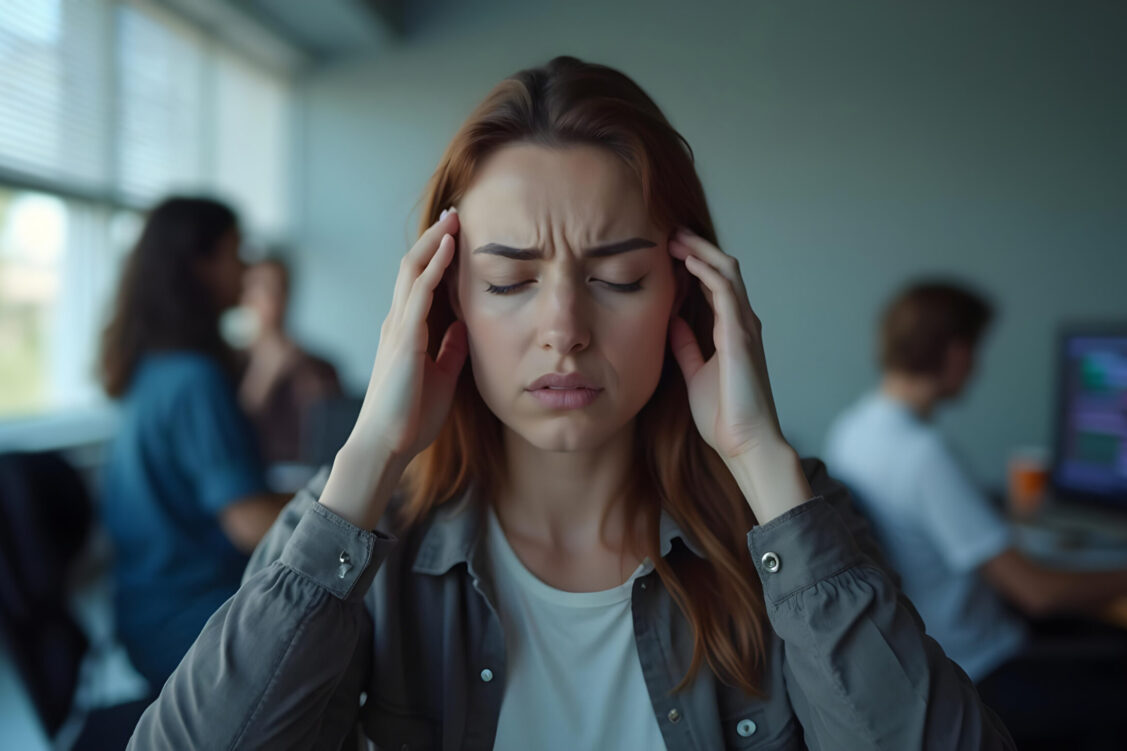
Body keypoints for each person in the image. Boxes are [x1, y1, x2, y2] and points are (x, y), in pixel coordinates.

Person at [129, 58, 1012, 750]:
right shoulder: (363, 532)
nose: (564, 328)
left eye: (618, 277)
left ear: (686, 292)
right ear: (444, 301)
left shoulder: (795, 523)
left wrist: (759, 457)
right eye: (509, 280)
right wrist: (368, 457)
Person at [824, 281, 1127, 749]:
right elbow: (1038, 594)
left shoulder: (853, 429)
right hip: (981, 671)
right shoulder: (924, 455)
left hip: (927, 661)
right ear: (957, 352)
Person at [98, 197, 289, 689]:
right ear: (198, 265)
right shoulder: (194, 379)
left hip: (143, 618)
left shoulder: (153, 370)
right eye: (235, 253)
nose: (246, 268)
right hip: (190, 621)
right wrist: (345, 504)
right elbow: (251, 523)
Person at [238, 256, 342, 464]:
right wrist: (265, 372)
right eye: (263, 287)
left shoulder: (319, 367)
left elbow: (336, 435)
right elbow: (233, 431)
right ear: (244, 295)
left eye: (281, 287)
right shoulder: (230, 363)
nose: (274, 296)